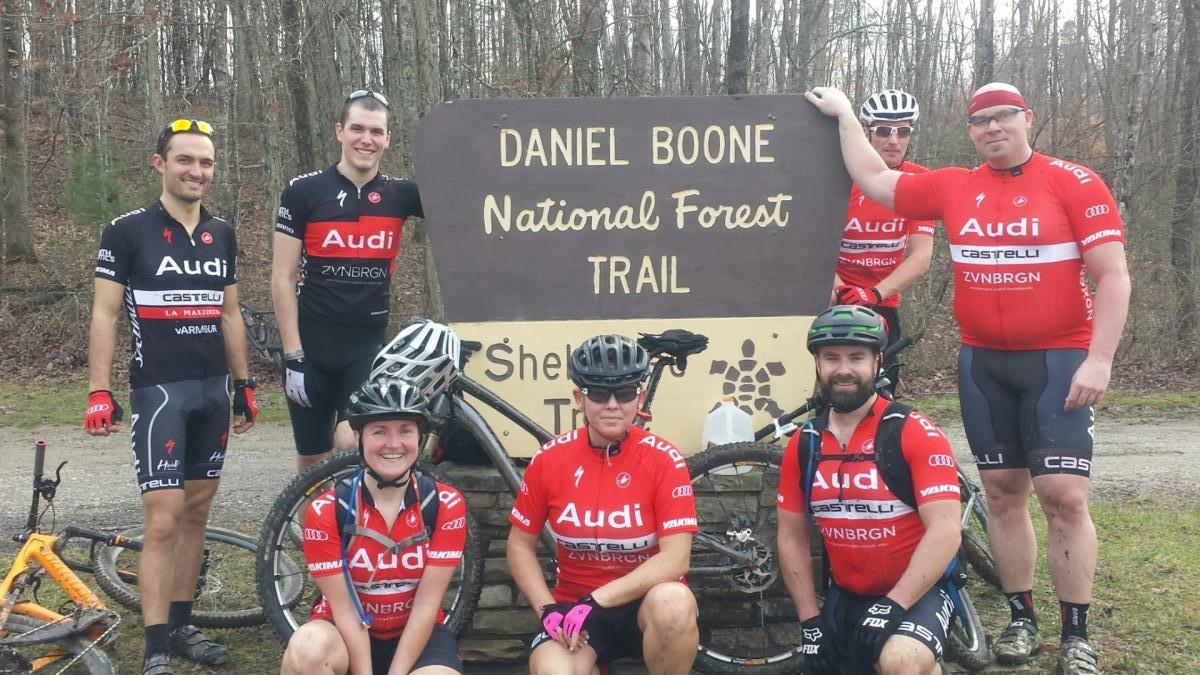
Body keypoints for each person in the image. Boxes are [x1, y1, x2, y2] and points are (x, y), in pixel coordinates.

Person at [806, 82, 1130, 674]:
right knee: (1003, 495)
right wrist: (846, 115)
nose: (992, 128)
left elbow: (1112, 276)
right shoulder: (956, 185)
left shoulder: (1074, 181)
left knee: (1064, 496)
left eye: (1004, 116)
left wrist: (1100, 357)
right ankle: (1021, 618)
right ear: (970, 131)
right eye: (979, 121)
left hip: (1058, 357)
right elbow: (878, 181)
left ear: (1027, 118)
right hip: (982, 359)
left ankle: (1075, 632)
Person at [85, 118, 258, 675]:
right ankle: (155, 645)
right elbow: (105, 313)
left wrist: (244, 384)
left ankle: (182, 625)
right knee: (162, 519)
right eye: (185, 160)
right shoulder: (127, 230)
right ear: (160, 164)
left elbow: (230, 313)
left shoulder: (222, 233)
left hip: (212, 391)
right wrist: (99, 390)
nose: (197, 171)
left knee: (196, 513)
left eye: (206, 162)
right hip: (159, 392)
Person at [777, 306, 963, 675]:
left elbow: (946, 530)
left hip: (918, 594)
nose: (843, 369)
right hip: (846, 596)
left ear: (878, 362)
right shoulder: (805, 442)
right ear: (817, 363)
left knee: (900, 660)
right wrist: (809, 620)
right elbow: (790, 537)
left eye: (856, 357)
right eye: (832, 358)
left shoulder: (913, 431)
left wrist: (894, 605)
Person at [506, 335, 700, 675]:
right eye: (598, 393)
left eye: (624, 393)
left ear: (639, 398)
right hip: (574, 610)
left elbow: (676, 558)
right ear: (579, 398)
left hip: (644, 603)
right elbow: (520, 544)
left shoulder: (665, 459)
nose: (612, 404)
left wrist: (598, 600)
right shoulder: (549, 459)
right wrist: (547, 609)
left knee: (674, 602)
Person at [271, 88, 423, 472]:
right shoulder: (304, 192)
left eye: (376, 131)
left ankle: (351, 524)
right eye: (357, 129)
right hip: (310, 341)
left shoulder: (402, 195)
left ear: (388, 138)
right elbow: (282, 276)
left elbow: (466, 203)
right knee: (311, 455)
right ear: (340, 131)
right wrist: (293, 356)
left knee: (350, 438)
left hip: (365, 342)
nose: (366, 139)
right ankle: (310, 531)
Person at [281, 376, 467, 675]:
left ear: (419, 437)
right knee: (308, 649)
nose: (393, 444)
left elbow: (426, 605)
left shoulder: (445, 503)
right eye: (379, 431)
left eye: (405, 430)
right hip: (344, 629)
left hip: (415, 633)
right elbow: (344, 609)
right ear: (359, 437)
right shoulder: (327, 509)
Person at [832, 89, 935, 396]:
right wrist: (841, 290)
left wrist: (873, 294)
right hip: (835, 297)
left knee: (881, 393)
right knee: (830, 390)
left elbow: (921, 257)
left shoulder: (919, 181)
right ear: (865, 132)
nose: (894, 140)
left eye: (903, 131)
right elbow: (815, 248)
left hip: (882, 301)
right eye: (884, 131)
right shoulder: (840, 177)